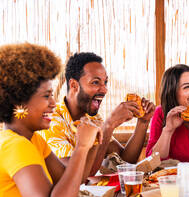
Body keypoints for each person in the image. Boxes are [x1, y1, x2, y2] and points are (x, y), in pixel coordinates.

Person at [0, 43, 101, 197]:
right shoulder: (15, 145)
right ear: (18, 103)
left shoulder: (33, 139)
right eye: (46, 96)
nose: (54, 103)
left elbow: (71, 181)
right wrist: (81, 147)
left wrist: (92, 145)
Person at [40, 52, 155, 180]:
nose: (104, 89)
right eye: (95, 82)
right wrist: (109, 125)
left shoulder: (93, 119)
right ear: (74, 85)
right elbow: (77, 178)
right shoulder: (51, 122)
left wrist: (143, 123)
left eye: (105, 82)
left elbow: (126, 162)